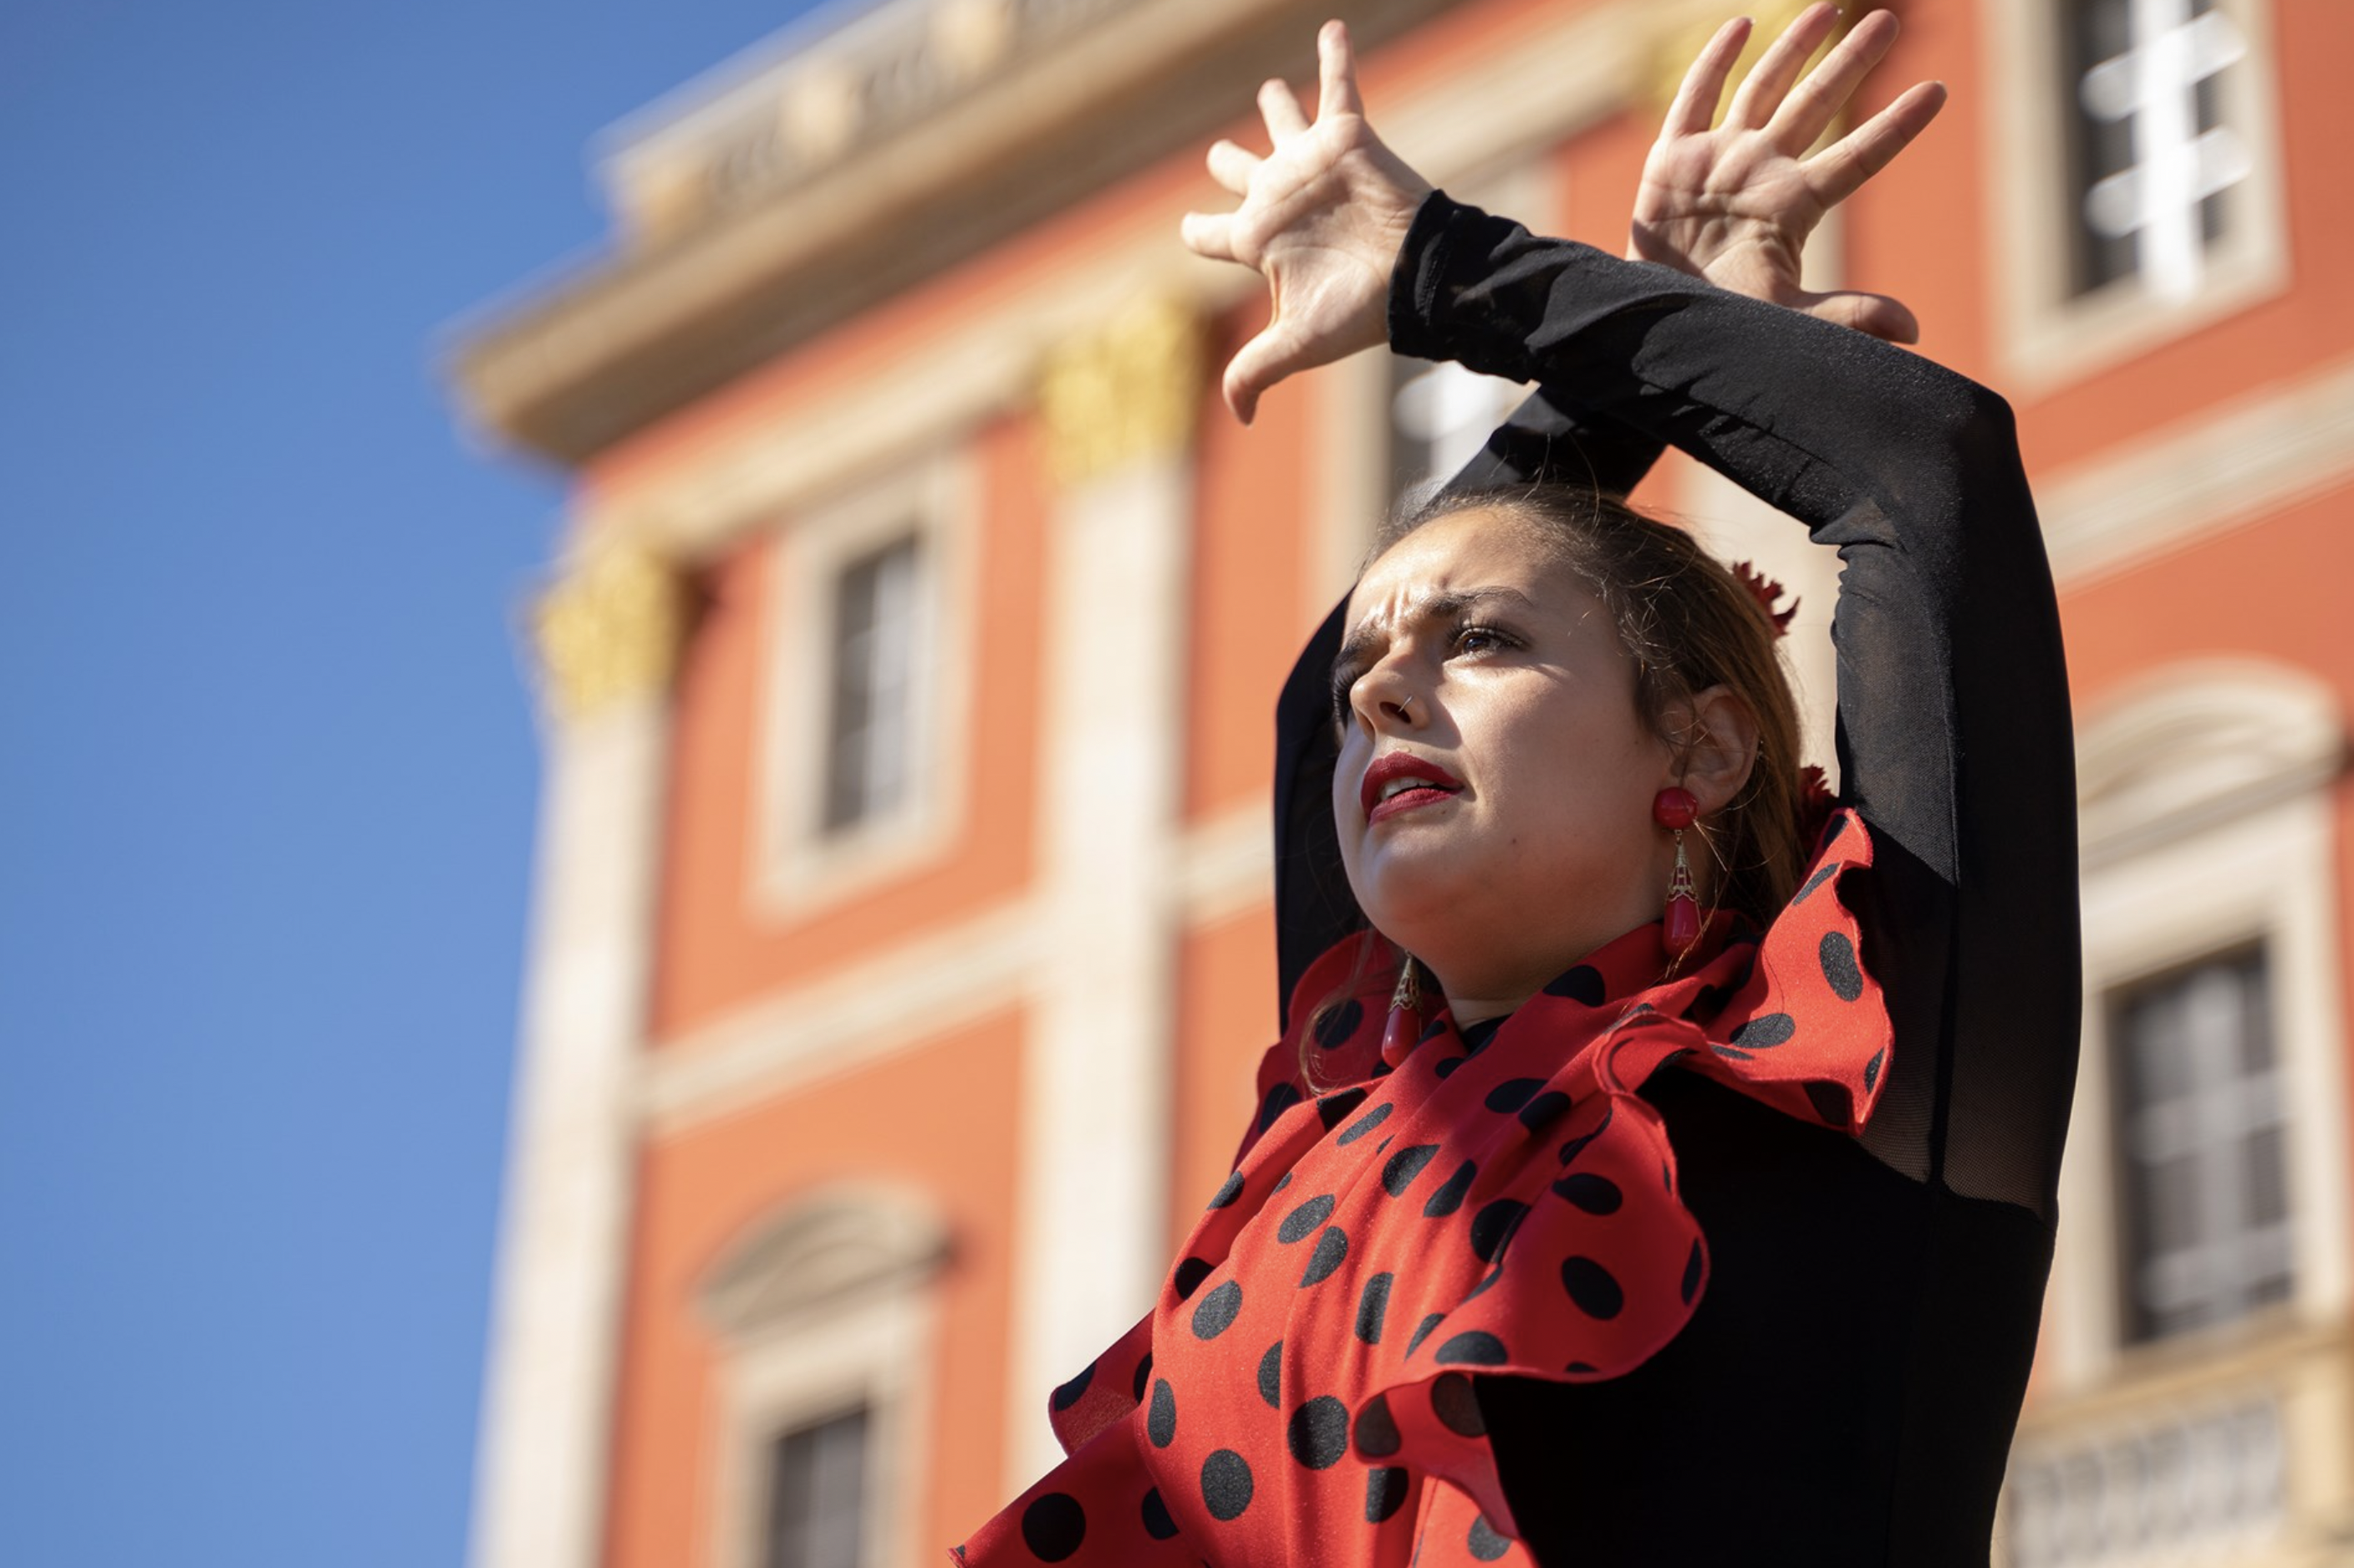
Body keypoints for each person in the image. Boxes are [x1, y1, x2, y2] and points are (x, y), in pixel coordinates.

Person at [957, 8, 2077, 1565]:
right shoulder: (1345, 1108)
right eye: (1369, 676)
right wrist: (1649, 338)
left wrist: (1444, 266)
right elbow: (1311, 714)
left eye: (1478, 641)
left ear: (1698, 746)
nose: (1382, 696)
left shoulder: (1868, 1063)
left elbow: (1924, 469)